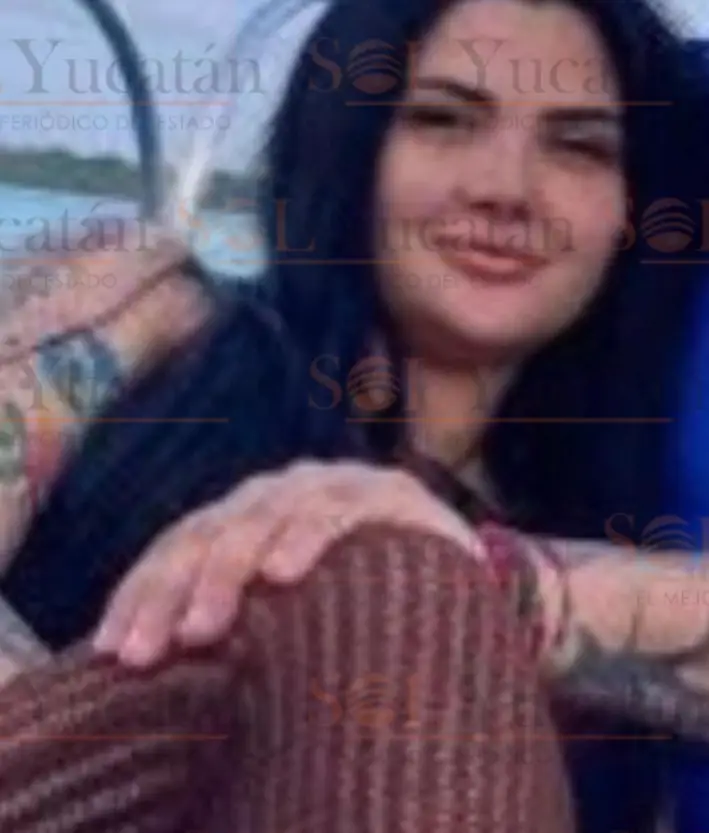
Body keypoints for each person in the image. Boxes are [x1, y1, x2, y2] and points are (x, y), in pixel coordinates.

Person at [2, 0, 709, 830]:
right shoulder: (142, 315)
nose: (505, 189)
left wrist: (475, 577)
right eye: (442, 120)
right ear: (348, 141)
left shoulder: (607, 512)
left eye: (578, 146)